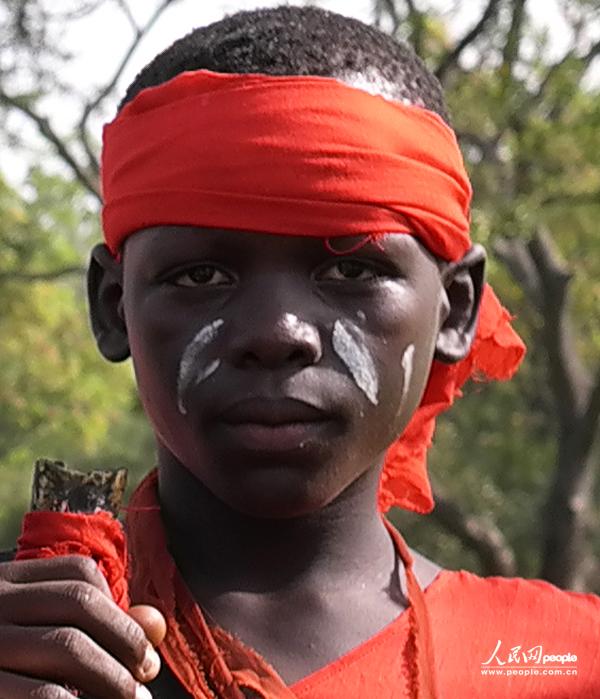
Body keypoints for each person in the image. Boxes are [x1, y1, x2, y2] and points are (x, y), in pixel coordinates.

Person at [0, 5, 598, 698]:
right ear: (113, 306)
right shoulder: (25, 645)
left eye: (352, 270)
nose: (277, 331)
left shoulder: (563, 660)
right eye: (201, 275)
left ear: (455, 307)